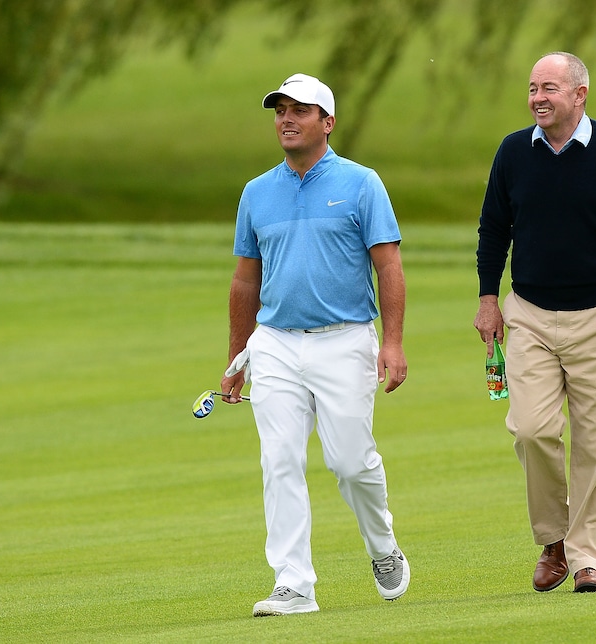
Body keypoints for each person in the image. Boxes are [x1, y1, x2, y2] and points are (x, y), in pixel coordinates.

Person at [220, 73, 410, 617]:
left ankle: (382, 546)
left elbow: (388, 267)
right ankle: (293, 583)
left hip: (344, 339)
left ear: (327, 122)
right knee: (278, 460)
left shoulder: (361, 183)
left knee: (350, 463)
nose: (286, 118)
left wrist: (391, 344)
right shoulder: (257, 192)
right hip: (275, 343)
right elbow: (245, 282)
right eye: (280, 110)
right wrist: (238, 355)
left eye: (300, 110)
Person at [473, 52, 596, 594]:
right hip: (527, 313)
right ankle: (552, 538)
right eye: (532, 88)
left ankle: (585, 560)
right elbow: (492, 230)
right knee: (531, 430)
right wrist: (488, 299)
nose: (537, 98)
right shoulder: (513, 152)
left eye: (549, 88)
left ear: (580, 94)